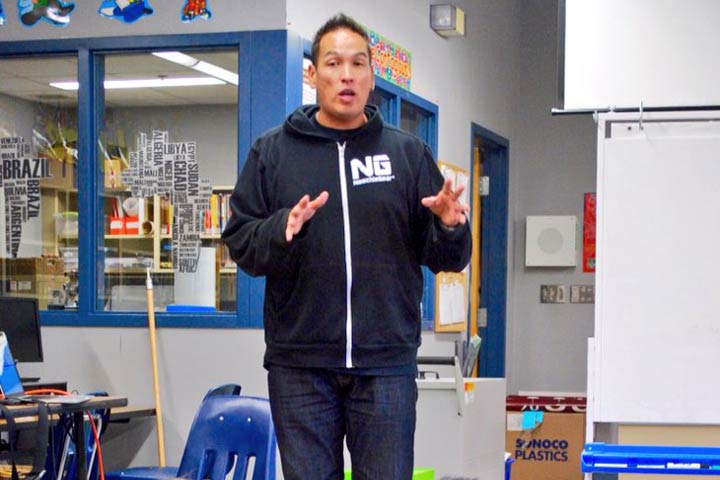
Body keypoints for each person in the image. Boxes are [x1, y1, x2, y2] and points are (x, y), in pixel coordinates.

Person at [221, 13, 471, 480]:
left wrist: (450, 226)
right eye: (334, 63)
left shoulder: (406, 155)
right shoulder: (272, 153)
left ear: (372, 77)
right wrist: (281, 229)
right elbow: (240, 241)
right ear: (312, 73)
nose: (347, 75)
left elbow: (448, 258)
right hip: (300, 366)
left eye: (358, 64)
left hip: (386, 366)